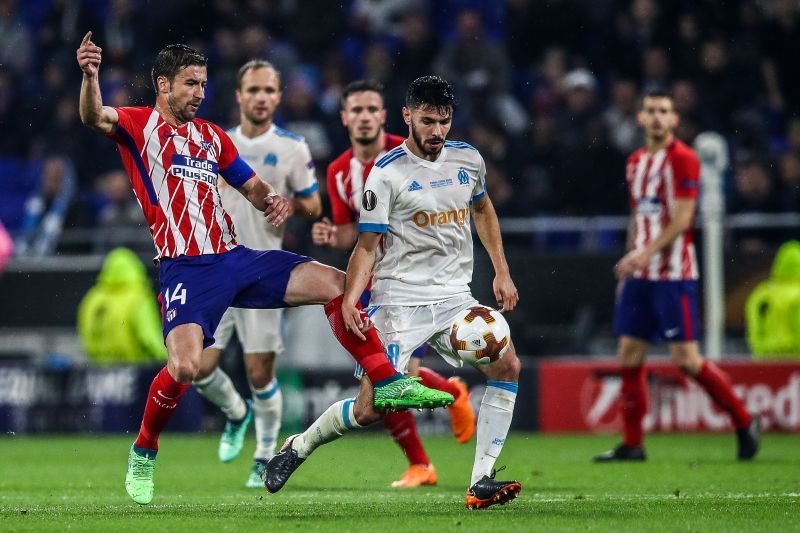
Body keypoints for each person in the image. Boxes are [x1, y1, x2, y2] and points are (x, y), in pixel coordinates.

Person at [76, 32, 453, 505]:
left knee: (339, 285)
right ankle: (145, 448)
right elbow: (94, 116)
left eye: (203, 84)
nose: (199, 92)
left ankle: (387, 381)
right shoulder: (138, 125)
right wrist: (91, 77)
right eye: (190, 83)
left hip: (237, 259)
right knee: (187, 366)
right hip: (186, 270)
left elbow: (251, 186)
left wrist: (273, 203)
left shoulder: (211, 136)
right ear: (162, 85)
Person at [264, 76, 522, 510]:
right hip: (398, 301)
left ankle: (481, 481)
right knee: (369, 410)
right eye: (427, 122)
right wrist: (350, 299)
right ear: (406, 117)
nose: (437, 132)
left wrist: (502, 270)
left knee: (508, 365)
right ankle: (299, 445)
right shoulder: (385, 174)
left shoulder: (468, 160)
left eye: (444, 121)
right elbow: (366, 247)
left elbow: (483, 209)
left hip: (456, 297)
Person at [312, 79, 475, 488]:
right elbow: (356, 234)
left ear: (386, 116)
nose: (365, 117)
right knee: (390, 377)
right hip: (374, 282)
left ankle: (422, 461)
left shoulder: (408, 152)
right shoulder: (336, 172)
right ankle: (450, 399)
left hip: (414, 281)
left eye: (372, 109)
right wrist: (333, 235)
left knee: (393, 378)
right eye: (357, 110)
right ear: (345, 117)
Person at [594, 89, 760, 463]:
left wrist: (643, 256)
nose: (656, 117)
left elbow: (683, 220)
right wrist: (631, 257)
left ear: (673, 120)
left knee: (686, 359)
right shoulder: (635, 162)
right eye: (650, 110)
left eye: (663, 111)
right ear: (640, 118)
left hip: (674, 276)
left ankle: (744, 420)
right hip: (639, 276)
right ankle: (633, 443)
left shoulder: (684, 159)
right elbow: (640, 216)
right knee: (628, 354)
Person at [191, 59, 322, 488]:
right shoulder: (214, 142)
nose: (261, 97)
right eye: (253, 90)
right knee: (197, 367)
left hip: (260, 271)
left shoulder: (292, 148)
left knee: (260, 373)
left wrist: (291, 205)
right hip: (214, 267)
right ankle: (236, 412)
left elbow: (314, 205)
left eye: (269, 90)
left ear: (278, 96)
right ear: (239, 96)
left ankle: (264, 456)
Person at [77, 247, 167, 366]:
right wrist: (169, 359)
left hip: (96, 372)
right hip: (133, 371)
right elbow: (149, 338)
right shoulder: (138, 296)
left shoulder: (92, 298)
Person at [745, 240, 800, 358]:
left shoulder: (761, 293)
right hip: (794, 360)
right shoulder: (797, 294)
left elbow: (754, 329)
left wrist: (760, 349)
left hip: (764, 359)